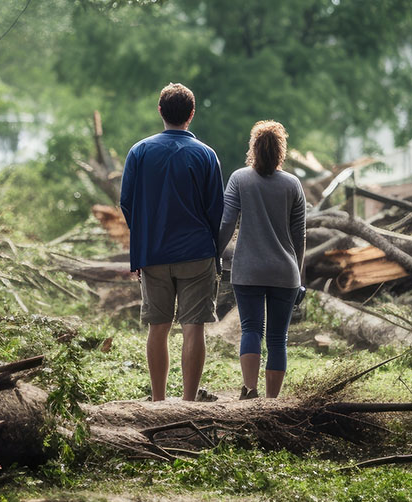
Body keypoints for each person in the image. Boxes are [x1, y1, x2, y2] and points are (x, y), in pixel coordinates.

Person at [119, 83, 225, 402]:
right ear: (191, 114)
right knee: (194, 328)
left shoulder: (139, 152)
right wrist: (214, 253)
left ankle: (158, 401)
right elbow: (216, 209)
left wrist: (141, 245)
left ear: (160, 111)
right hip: (197, 253)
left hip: (153, 254)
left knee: (158, 327)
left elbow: (126, 202)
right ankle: (189, 402)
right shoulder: (206, 155)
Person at [217, 120, 306, 399]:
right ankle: (271, 401)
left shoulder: (239, 179)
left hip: (248, 271)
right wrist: (298, 275)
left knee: (251, 329)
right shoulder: (293, 184)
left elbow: (226, 224)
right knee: (278, 338)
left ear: (253, 148)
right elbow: (299, 236)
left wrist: (215, 257)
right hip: (285, 273)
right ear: (281, 151)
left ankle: (250, 390)